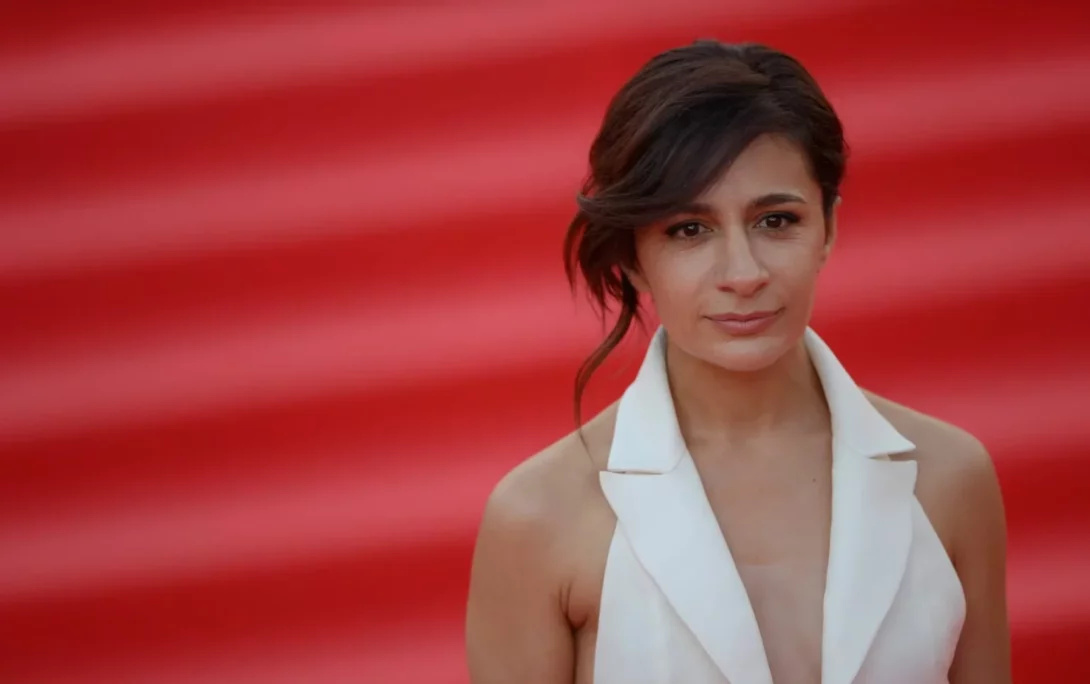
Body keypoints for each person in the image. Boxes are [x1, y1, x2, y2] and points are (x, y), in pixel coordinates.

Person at [464, 40, 1010, 684]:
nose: (744, 273)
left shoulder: (950, 478)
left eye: (775, 220)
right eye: (688, 230)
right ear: (633, 258)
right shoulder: (538, 517)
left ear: (829, 228)